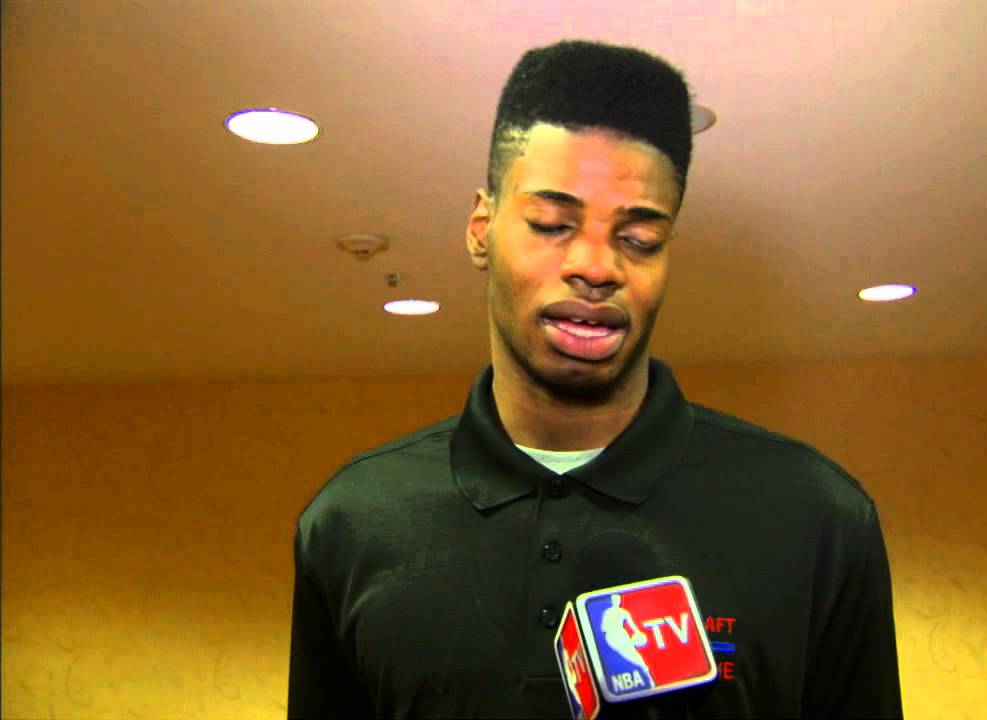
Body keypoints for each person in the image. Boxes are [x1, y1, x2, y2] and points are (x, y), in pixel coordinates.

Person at [288, 39, 902, 719]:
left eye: (640, 239)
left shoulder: (816, 517)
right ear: (481, 229)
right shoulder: (350, 524)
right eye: (552, 224)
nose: (596, 267)